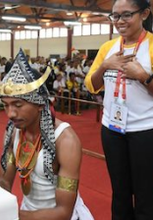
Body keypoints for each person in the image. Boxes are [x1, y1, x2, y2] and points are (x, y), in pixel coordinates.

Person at [0, 49, 93, 220]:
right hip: (27, 212)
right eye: (6, 105)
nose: (10, 114)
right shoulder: (12, 131)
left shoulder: (65, 140)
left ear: (40, 104)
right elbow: (4, 181)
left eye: (18, 104)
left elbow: (63, 212)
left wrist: (12, 215)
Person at [84, 0, 153, 219]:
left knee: (146, 193)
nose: (119, 22)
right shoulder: (108, 48)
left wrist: (143, 76)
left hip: (145, 130)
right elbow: (92, 84)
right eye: (114, 16)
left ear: (144, 14)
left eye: (126, 15)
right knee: (120, 192)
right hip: (112, 130)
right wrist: (105, 66)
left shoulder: (151, 45)